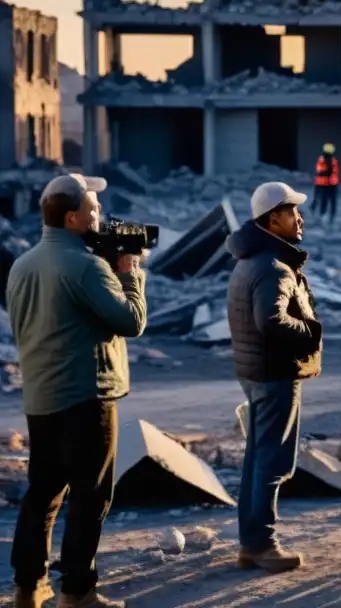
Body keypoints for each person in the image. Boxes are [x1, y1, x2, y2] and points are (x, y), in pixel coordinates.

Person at [7, 173, 147, 608]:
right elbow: (131, 321)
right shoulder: (88, 267)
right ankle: (77, 591)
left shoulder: (22, 264)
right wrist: (130, 273)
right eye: (94, 208)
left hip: (42, 397)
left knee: (43, 494)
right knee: (90, 496)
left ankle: (28, 587)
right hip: (87, 398)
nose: (100, 214)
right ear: (73, 218)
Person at [226, 181, 323, 573]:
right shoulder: (272, 268)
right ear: (272, 219)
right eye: (291, 212)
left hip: (256, 372)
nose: (299, 218)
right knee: (272, 460)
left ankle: (251, 543)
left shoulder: (252, 260)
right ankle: (263, 543)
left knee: (257, 457)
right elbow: (270, 320)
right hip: (275, 374)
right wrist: (311, 333)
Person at [313, 143, 340, 224]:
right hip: (325, 184)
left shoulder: (330, 160)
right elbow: (321, 171)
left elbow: (335, 172)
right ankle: (324, 216)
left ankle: (330, 216)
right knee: (327, 201)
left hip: (329, 184)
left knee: (330, 201)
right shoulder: (323, 160)